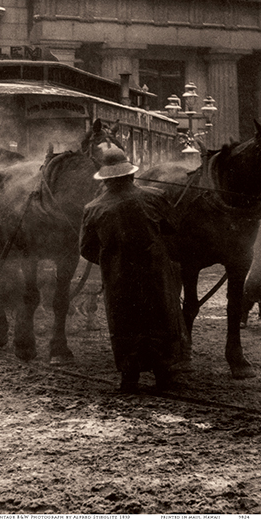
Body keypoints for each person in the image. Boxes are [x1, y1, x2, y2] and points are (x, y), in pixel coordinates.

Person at [79, 147, 192, 393]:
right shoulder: (155, 196)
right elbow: (173, 227)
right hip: (155, 273)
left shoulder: (93, 208)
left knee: (124, 323)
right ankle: (164, 375)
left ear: (106, 179)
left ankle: (129, 377)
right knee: (160, 318)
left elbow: (86, 249)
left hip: (119, 277)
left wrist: (112, 260)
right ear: (130, 175)